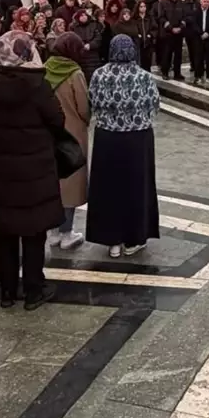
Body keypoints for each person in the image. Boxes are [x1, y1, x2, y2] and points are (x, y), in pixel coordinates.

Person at [0, 31, 63, 309]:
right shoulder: (36, 84)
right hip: (33, 168)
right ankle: (34, 291)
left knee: (5, 232)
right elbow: (57, 119)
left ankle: (7, 292)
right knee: (34, 232)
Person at [86, 35, 160, 258]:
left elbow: (92, 101)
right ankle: (134, 238)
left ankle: (112, 241)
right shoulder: (144, 77)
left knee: (109, 189)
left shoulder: (100, 75)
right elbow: (154, 104)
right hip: (138, 139)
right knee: (137, 188)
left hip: (108, 139)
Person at [45, 33, 90, 250]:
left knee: (52, 182)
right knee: (71, 183)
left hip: (48, 133)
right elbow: (84, 108)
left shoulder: (44, 69)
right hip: (72, 134)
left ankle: (52, 231)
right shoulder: (75, 74)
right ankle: (66, 232)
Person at [158, 0, 189, 81]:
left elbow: (185, 17)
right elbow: (161, 18)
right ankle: (165, 72)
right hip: (168, 34)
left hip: (179, 34)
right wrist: (171, 28)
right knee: (167, 54)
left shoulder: (181, 3)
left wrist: (180, 27)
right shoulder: (163, 3)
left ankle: (177, 73)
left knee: (178, 55)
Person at [72, 9, 105, 80]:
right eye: (81, 16)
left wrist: (90, 45)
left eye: (85, 15)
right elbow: (72, 39)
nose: (83, 17)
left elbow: (98, 38)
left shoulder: (94, 25)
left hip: (93, 55)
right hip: (81, 55)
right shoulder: (73, 27)